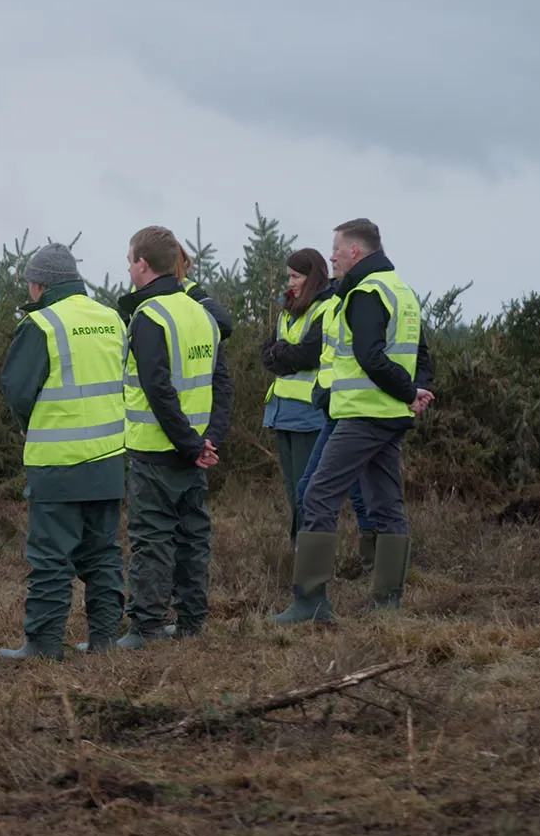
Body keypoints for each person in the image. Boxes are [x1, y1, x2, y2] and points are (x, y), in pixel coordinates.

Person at [277, 218, 435, 623]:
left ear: (356, 251)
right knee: (386, 505)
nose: (331, 257)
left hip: (364, 414)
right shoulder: (402, 290)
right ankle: (387, 605)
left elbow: (370, 356)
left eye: (336, 248)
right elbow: (422, 354)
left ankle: (309, 603)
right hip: (388, 416)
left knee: (317, 495)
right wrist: (416, 390)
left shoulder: (365, 293)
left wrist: (406, 391)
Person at [0, 243, 127, 661]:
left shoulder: (42, 324)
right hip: (108, 460)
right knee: (103, 553)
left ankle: (44, 645)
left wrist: (29, 427)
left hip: (58, 465)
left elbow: (16, 390)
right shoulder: (112, 319)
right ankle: (105, 640)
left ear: (39, 286)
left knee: (51, 558)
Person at [114, 225, 234, 649]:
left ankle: (144, 629)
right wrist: (208, 440)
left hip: (158, 451)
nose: (128, 268)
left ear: (143, 265)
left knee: (151, 538)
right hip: (196, 451)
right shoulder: (201, 312)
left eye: (129, 260)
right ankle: (191, 623)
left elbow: (158, 390)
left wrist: (190, 443)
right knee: (192, 537)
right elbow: (222, 382)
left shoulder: (148, 317)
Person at [262, 251, 375, 556]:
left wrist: (282, 354)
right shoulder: (287, 310)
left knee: (308, 489)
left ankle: (310, 556)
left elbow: (307, 355)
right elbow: (266, 354)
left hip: (309, 413)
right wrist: (283, 353)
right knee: (293, 490)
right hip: (281, 412)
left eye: (296, 277)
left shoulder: (325, 308)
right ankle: (301, 551)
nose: (291, 283)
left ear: (311, 278)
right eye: (288, 277)